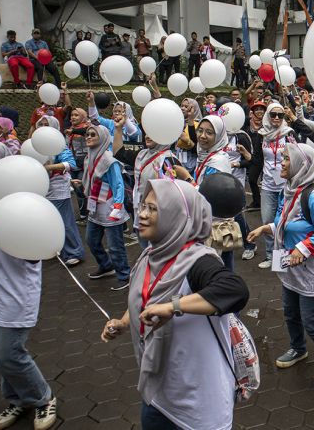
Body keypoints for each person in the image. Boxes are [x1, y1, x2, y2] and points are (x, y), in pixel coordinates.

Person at [101, 179, 249, 430]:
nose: (143, 215)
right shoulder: (152, 254)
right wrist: (124, 322)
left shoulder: (198, 260)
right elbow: (145, 296)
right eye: (143, 206)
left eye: (153, 209)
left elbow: (235, 290)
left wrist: (173, 306)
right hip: (157, 389)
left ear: (177, 215)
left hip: (197, 400)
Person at [0, 141, 58, 430]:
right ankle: (18, 398)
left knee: (10, 354)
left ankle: (43, 397)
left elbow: (37, 248)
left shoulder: (23, 203)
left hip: (14, 291)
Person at [248, 143, 314, 393]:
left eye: (287, 159)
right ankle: (298, 348)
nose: (282, 163)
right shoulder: (289, 190)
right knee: (290, 312)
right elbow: (284, 221)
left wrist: (301, 249)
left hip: (312, 268)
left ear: (301, 164)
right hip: (290, 266)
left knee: (312, 320)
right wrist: (266, 228)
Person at [172, 116, 236, 270]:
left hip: (215, 225)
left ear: (219, 136)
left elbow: (208, 197)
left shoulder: (218, 162)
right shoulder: (206, 156)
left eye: (209, 133)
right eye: (200, 130)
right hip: (208, 221)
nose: (202, 136)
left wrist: (186, 178)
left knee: (217, 269)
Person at [76, 125, 131, 291]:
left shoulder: (109, 160)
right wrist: (83, 184)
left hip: (109, 207)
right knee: (91, 241)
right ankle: (106, 265)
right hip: (95, 206)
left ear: (103, 137)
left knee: (115, 246)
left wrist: (117, 206)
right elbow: (93, 179)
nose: (89, 137)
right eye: (87, 134)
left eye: (93, 134)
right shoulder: (89, 157)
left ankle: (124, 274)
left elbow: (118, 184)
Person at [111, 113, 176, 251]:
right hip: (140, 211)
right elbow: (117, 151)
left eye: (153, 132)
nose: (147, 135)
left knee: (158, 253)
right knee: (146, 251)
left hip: (158, 216)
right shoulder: (142, 154)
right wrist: (118, 128)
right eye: (147, 132)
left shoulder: (169, 160)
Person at [37, 116, 85, 266]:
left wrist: (48, 168)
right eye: (41, 124)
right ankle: (54, 248)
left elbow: (70, 163)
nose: (44, 127)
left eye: (47, 124)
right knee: (47, 222)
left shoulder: (58, 145)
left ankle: (74, 251)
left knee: (64, 221)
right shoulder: (34, 144)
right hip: (40, 188)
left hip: (57, 189)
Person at [252, 103, 294, 269]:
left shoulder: (289, 134)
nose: (277, 118)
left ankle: (283, 257)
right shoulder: (261, 135)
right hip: (268, 185)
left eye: (280, 115)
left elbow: (297, 156)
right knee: (268, 220)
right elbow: (256, 159)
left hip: (286, 185)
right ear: (267, 116)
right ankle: (270, 255)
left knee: (284, 222)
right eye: (273, 115)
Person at [223, 113, 257, 261]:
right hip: (220, 177)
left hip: (236, 179)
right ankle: (223, 242)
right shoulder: (218, 134)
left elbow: (250, 159)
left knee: (236, 214)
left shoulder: (241, 136)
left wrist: (237, 164)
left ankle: (249, 245)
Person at [65, 107, 91, 220]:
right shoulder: (70, 129)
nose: (73, 117)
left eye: (76, 115)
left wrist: (73, 131)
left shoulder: (88, 128)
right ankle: (84, 212)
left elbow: (86, 131)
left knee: (82, 188)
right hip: (73, 164)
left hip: (84, 165)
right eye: (72, 115)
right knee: (77, 189)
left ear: (83, 117)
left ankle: (88, 212)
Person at [246, 101, 266, 211]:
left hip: (269, 156)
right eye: (257, 109)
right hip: (256, 156)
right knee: (252, 179)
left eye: (262, 109)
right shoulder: (248, 123)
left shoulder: (269, 122)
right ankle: (257, 201)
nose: (259, 111)